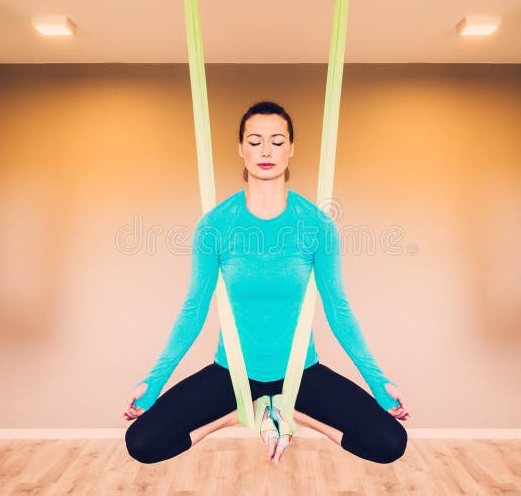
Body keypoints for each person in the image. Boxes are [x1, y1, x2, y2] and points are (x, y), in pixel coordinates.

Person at [123, 101, 409, 466]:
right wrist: (154, 380)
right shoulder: (215, 225)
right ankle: (247, 412)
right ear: (241, 148)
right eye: (255, 141)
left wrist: (377, 381)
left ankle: (292, 414)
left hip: (300, 373)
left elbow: (338, 309)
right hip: (233, 374)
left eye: (277, 141)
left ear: (291, 148)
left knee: (389, 443)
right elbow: (194, 309)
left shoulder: (317, 225)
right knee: (142, 443)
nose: (266, 151)